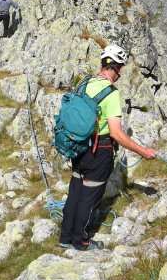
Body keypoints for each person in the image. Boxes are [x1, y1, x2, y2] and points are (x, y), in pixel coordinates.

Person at [59, 44, 157, 251]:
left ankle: (65, 236)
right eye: (120, 67)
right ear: (117, 67)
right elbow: (116, 133)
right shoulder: (111, 94)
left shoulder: (86, 83)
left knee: (75, 191)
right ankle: (81, 241)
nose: (120, 72)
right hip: (99, 151)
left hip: (78, 147)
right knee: (90, 196)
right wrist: (143, 152)